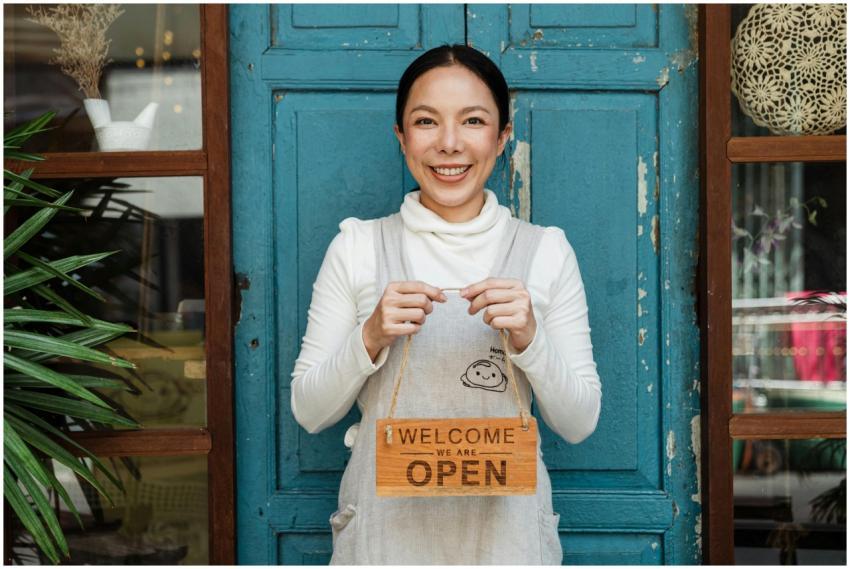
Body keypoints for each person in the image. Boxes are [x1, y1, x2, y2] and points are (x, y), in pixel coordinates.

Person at [291, 44, 601, 565]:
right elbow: (309, 411)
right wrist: (369, 337)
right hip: (384, 544)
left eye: (474, 121)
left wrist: (530, 339)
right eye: (426, 122)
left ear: (502, 137)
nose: (450, 144)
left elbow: (579, 422)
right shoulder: (358, 247)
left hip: (508, 544)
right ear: (402, 137)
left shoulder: (545, 251)